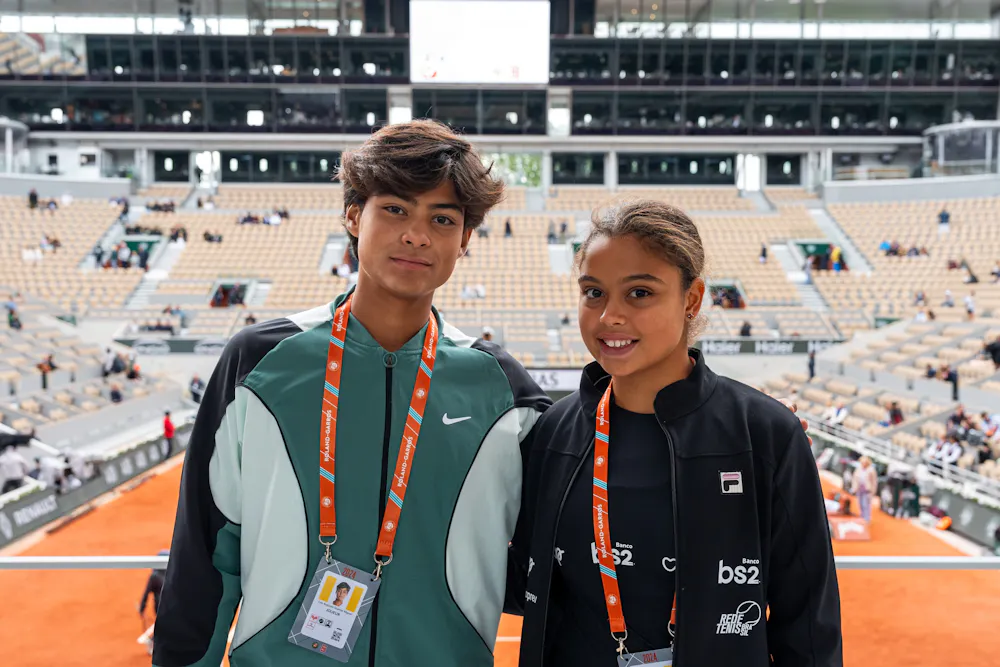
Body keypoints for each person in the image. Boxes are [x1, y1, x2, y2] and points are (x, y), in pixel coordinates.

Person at [152, 120, 550, 667]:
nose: (417, 234)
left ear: (464, 241)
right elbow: (205, 545)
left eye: (442, 218)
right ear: (351, 214)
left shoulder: (502, 389)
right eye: (395, 209)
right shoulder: (259, 362)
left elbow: (549, 559)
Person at [509, 200, 841, 667]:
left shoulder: (766, 434)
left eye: (640, 293)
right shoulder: (554, 433)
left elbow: (808, 623)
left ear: (691, 298)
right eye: (593, 293)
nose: (609, 317)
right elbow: (518, 583)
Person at [851, 456, 877, 523]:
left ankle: (867, 518)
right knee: (860, 503)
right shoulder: (859, 468)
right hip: (859, 489)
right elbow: (854, 478)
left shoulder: (871, 470)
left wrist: (873, 491)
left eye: (864, 462)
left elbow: (874, 482)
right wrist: (854, 488)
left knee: (866, 504)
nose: (863, 463)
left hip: (867, 490)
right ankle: (862, 516)